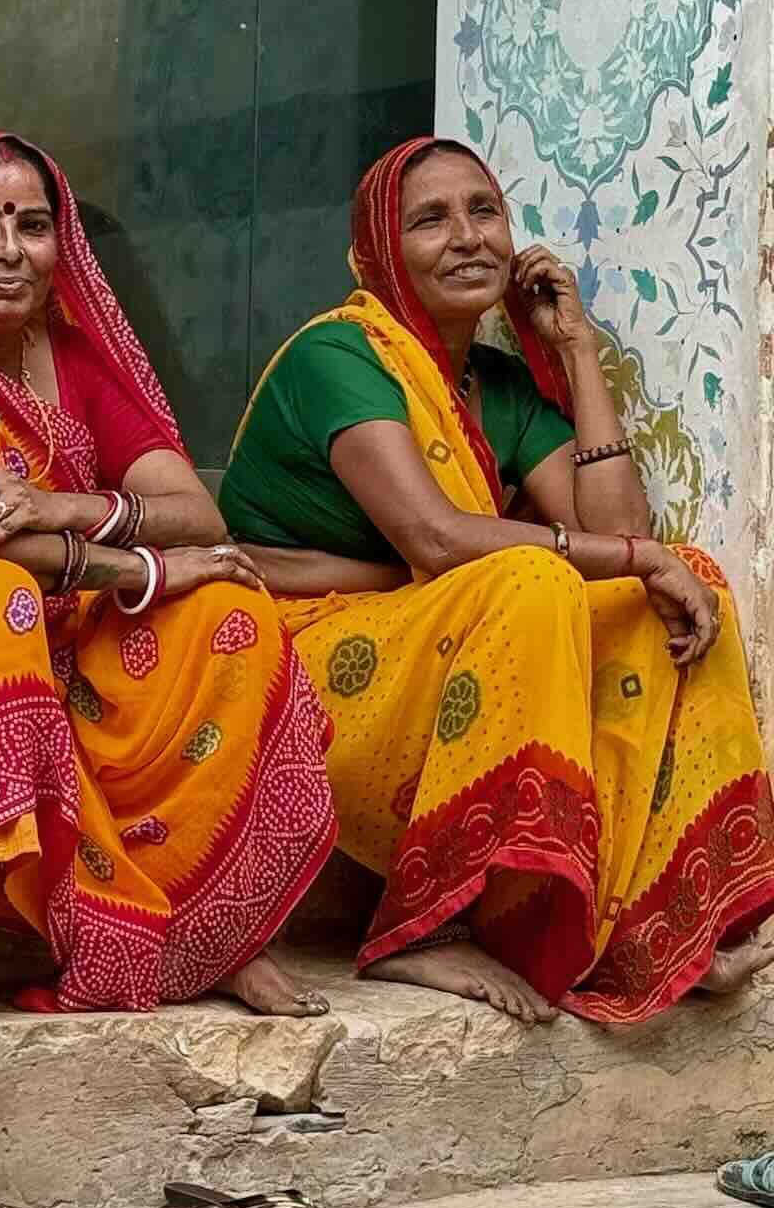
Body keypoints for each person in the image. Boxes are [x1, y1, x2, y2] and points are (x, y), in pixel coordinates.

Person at [0, 131, 339, 1087]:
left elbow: (196, 513)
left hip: (38, 616)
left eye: (33, 226)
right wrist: (134, 567)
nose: (10, 250)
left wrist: (66, 509)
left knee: (227, 617)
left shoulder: (66, 352)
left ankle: (202, 924)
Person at [220, 135, 774, 1024]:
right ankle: (428, 925)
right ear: (378, 253)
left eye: (485, 211)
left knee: (680, 579)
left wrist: (579, 352)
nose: (469, 237)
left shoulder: (498, 383)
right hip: (297, 660)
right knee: (533, 577)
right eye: (431, 220)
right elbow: (434, 539)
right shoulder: (342, 358)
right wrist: (637, 558)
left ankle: (653, 919)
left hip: (424, 634)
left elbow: (618, 534)